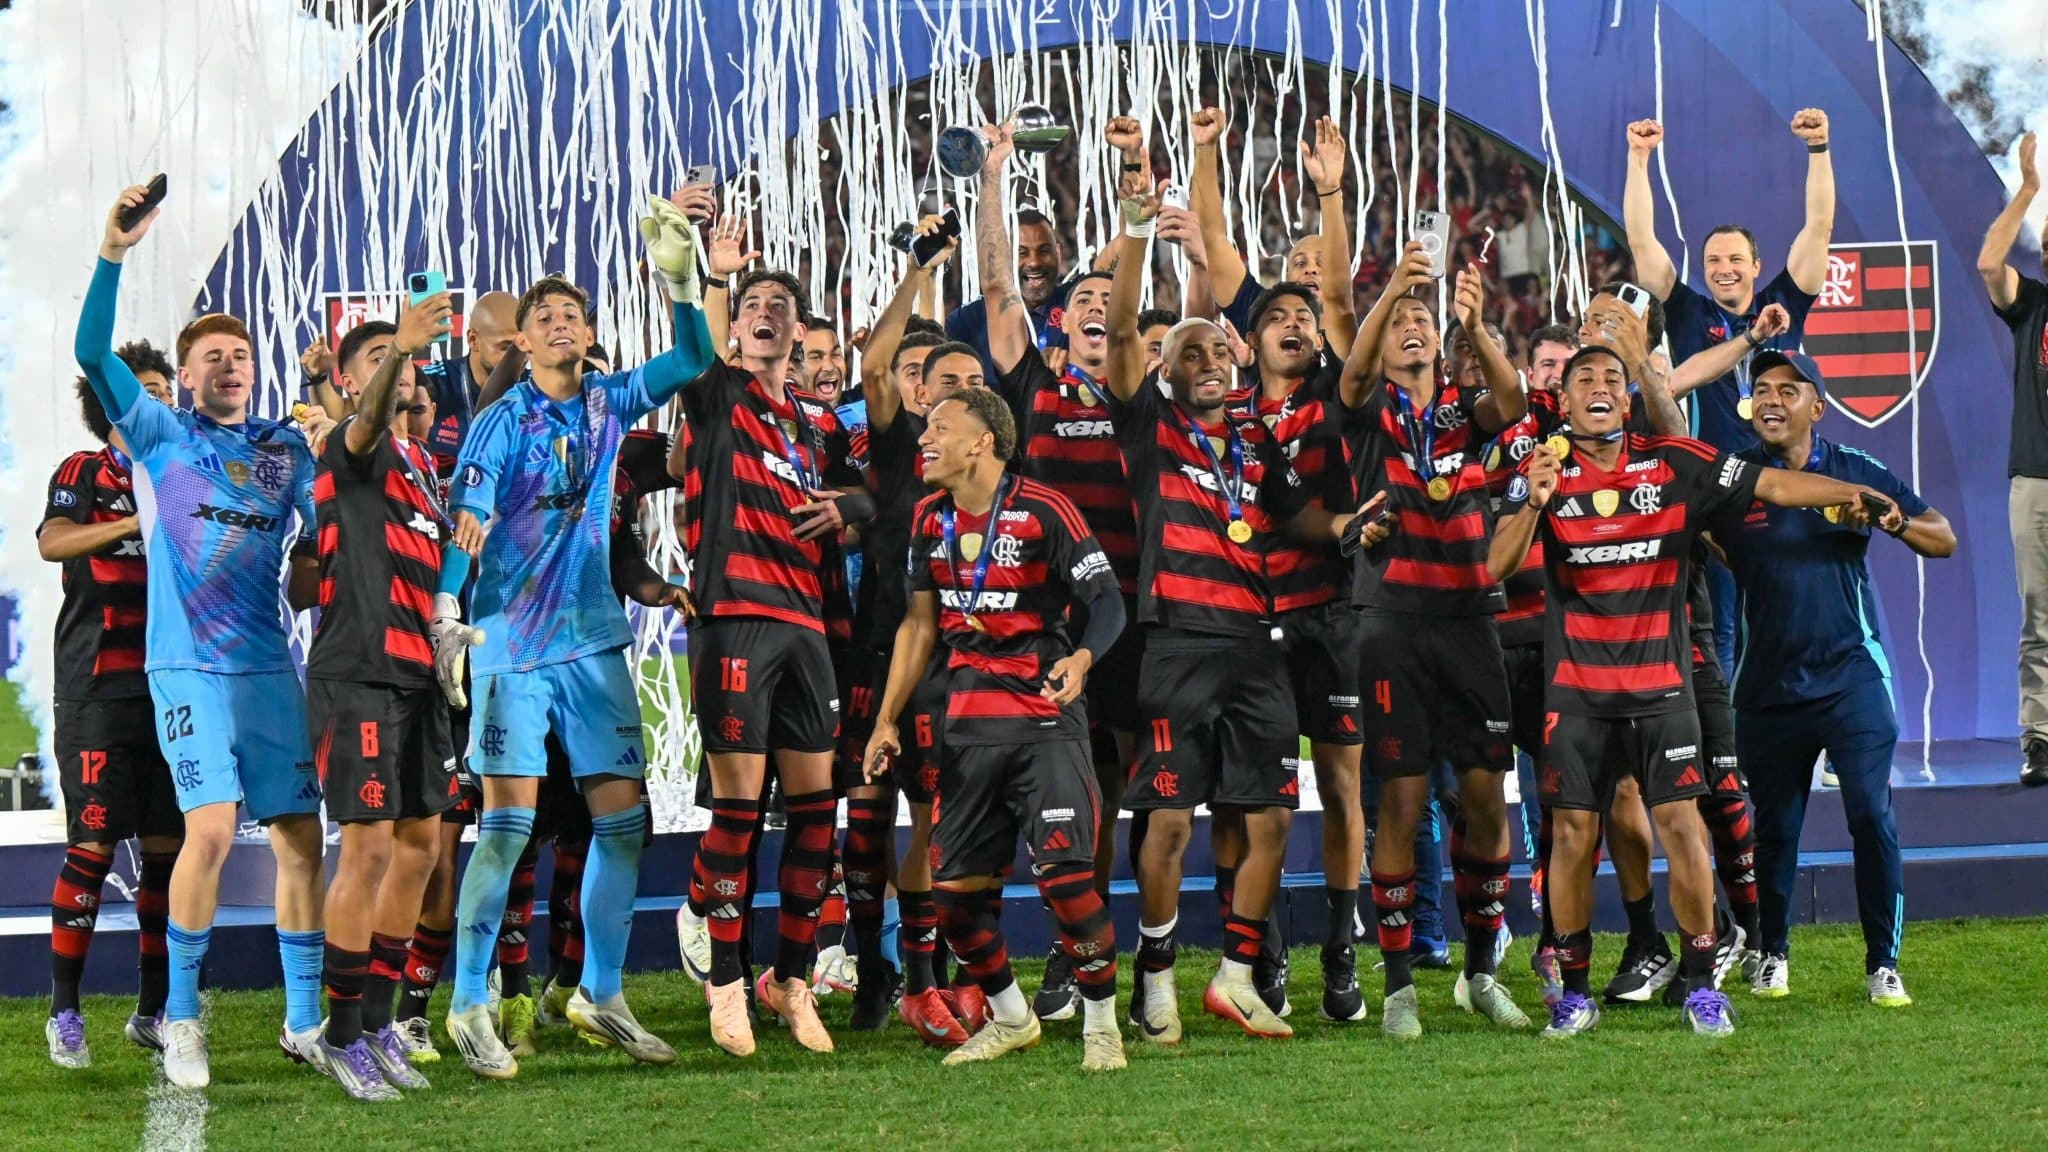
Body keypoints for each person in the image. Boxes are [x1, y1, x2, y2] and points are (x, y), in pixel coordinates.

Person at [1485, 344, 1894, 1039]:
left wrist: (1854, 495)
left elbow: (1771, 485)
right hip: (1577, 696)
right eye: (1584, 379)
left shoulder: (1673, 461)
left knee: (1681, 827)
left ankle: (1704, 984)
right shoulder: (1542, 474)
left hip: (1663, 691)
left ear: (1628, 397)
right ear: (1562, 400)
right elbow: (1494, 565)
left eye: (1613, 378)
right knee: (1574, 838)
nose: (1601, 387)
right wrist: (1533, 497)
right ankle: (1575, 992)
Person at [430, 196, 717, 1078]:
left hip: (594, 644)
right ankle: (468, 1002)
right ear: (521, 340)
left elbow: (697, 358)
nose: (561, 324)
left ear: (589, 332)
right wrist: (447, 609)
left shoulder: (607, 401)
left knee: (624, 823)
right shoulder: (500, 422)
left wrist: (681, 282)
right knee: (509, 829)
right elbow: (468, 518)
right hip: (511, 647)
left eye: (573, 315)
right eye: (543, 317)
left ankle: (601, 990)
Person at [1106, 169, 1367, 1043]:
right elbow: (1116, 329)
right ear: (1164, 372)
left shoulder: (1258, 438)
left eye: (1220, 352)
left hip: (1258, 645)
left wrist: (1351, 529)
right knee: (1172, 817)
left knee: (1270, 814)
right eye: (1191, 355)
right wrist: (1140, 226)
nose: (1210, 363)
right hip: (1176, 643)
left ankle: (1236, 973)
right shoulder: (1148, 426)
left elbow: (1298, 518)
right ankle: (1154, 975)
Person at [76, 183, 325, 1090]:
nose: (230, 365)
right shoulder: (159, 437)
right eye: (212, 356)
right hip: (187, 669)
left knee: (302, 834)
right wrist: (113, 251)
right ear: (184, 376)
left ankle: (305, 1021)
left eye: (241, 355)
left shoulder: (283, 451)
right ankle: (180, 1018)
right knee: (211, 832)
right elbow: (89, 351)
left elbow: (323, 537)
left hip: (267, 665)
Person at [863, 388, 1128, 1070]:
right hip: (968, 727)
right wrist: (886, 720)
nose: (925, 439)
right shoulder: (927, 519)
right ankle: (1011, 1017)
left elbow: (1106, 599)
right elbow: (919, 625)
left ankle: (1103, 1025)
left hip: (1044, 719)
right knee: (952, 900)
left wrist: (1081, 656)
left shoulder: (1044, 509)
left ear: (982, 442)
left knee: (1067, 882)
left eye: (940, 428)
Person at [674, 264, 871, 1058]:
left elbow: (874, 496)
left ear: (798, 333)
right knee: (739, 810)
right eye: (751, 306)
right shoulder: (717, 393)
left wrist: (847, 509)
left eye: (778, 308)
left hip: (810, 627)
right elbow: (696, 344)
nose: (764, 315)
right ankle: (726, 979)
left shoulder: (818, 426)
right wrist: (711, 272)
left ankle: (790, 981)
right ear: (735, 327)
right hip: (735, 620)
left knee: (817, 815)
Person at [1715, 351, 1954, 1006]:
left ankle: (1883, 964)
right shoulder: (1737, 479)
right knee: (1776, 828)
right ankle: (1772, 954)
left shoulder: (1856, 472)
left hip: (1851, 676)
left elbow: (1944, 537)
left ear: (1816, 407)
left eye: (1787, 391)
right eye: (1760, 390)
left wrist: (1889, 519)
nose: (1770, 401)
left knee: (1869, 814)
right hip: (1765, 686)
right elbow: (1704, 537)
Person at [975, 119, 1145, 1020]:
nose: (1094, 306)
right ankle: (1058, 962)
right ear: (1058, 320)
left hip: (1134, 617)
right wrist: (994, 179)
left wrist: (1133, 204)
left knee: (1119, 798)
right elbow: (1001, 281)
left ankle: (1117, 965)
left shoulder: (1134, 390)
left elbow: (1130, 299)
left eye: (1107, 300)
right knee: (1062, 798)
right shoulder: (1032, 384)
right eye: (1082, 297)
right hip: (1052, 621)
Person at [1338, 240, 1529, 1038]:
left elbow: (1513, 405)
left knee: (1486, 800)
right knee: (1405, 800)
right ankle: (1400, 991)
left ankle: (1482, 973)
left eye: (1422, 319)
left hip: (1470, 620)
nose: (1412, 327)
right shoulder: (1364, 409)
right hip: (1392, 625)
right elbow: (1351, 372)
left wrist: (1474, 328)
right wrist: (1391, 296)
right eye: (1398, 324)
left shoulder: (1460, 409)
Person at [303, 301, 460, 1100]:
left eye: (396, 362)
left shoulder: (423, 470)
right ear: (348, 380)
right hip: (357, 671)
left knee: (422, 847)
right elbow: (365, 418)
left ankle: (375, 1023)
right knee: (364, 849)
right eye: (371, 361)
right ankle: (337, 1035)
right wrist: (398, 346)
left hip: (415, 677)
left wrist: (446, 616)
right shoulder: (349, 445)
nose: (393, 373)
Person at [1624, 110, 1834, 671]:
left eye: (1735, 259)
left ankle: (1819, 730)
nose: (1723, 269)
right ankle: (1732, 755)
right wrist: (1639, 161)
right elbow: (1642, 239)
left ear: (1756, 265)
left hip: (1785, 479)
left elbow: (1818, 230)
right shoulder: (1687, 311)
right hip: (1719, 488)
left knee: (1806, 610)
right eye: (1713, 259)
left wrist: (1818, 150)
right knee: (1722, 628)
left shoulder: (1784, 301)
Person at [1219, 277, 1370, 1024]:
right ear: (1249, 341)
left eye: (1302, 318)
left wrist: (1333, 194)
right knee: (1256, 800)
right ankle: (1266, 954)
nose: (1292, 326)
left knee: (1343, 789)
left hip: (1330, 614)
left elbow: (1342, 305)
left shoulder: (1336, 395)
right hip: (1250, 623)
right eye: (1275, 317)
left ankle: (1342, 952)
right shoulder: (1227, 412)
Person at [834, 222, 964, 1039]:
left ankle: (922, 969)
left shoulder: (973, 456)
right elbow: (873, 365)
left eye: (932, 373)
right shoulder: (891, 446)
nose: (917, 385)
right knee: (868, 810)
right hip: (876, 651)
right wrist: (916, 273)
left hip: (952, 658)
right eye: (912, 373)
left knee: (935, 813)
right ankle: (874, 962)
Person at [40, 347, 184, 1069]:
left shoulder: (179, 474)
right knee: (94, 847)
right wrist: (131, 529)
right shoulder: (83, 470)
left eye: (160, 390)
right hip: (97, 688)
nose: (152, 401)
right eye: (139, 390)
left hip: (170, 690)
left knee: (166, 854)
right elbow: (54, 542)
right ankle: (64, 1011)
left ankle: (153, 1011)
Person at [1977, 129, 2048, 787]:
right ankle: (2042, 739)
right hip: (2037, 478)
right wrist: (2027, 188)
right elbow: (1988, 264)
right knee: (2040, 615)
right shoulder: (2035, 306)